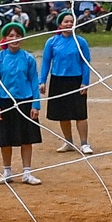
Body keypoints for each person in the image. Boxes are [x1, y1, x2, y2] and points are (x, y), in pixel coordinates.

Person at [0, 21, 43, 185]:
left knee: (26, 139)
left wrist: (36, 105)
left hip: (25, 102)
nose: (15, 39)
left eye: (18, 36)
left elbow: (34, 81)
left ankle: (27, 172)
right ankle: (7, 171)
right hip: (5, 103)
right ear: (5, 38)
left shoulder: (28, 58)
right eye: (11, 36)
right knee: (5, 139)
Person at [39, 12, 94, 155]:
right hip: (58, 80)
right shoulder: (52, 42)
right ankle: (68, 142)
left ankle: (84, 143)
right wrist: (42, 81)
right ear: (60, 24)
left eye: (71, 21)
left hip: (76, 80)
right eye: (66, 21)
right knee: (62, 114)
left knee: (80, 113)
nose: (69, 24)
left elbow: (85, 63)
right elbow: (46, 62)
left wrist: (85, 82)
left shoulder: (80, 41)